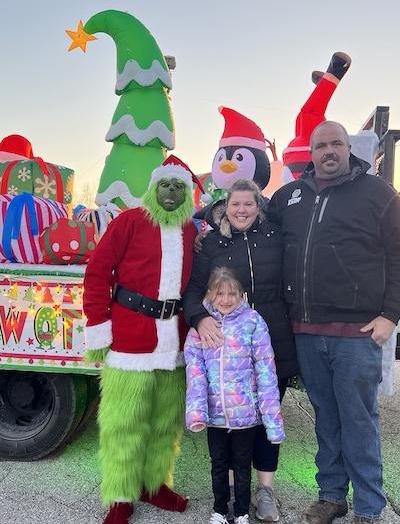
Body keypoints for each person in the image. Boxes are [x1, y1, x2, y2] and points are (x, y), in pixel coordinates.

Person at [267, 121, 400, 524]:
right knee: (326, 418)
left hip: (357, 334)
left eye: (336, 143)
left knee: (358, 419)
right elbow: (252, 223)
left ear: (349, 148)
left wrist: (390, 316)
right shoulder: (290, 196)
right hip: (306, 331)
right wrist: (206, 229)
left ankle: (369, 508)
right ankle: (331, 496)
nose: (328, 151)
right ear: (311, 152)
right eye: (321, 145)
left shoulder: (377, 195)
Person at [82, 155, 198, 524]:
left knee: (166, 423)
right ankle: (120, 494)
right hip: (130, 340)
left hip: (173, 345)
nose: (170, 192)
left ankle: (154, 484)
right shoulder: (129, 222)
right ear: (152, 188)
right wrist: (99, 327)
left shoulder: (192, 231)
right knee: (124, 422)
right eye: (164, 185)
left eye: (178, 187)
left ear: (188, 194)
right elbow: (98, 272)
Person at [184, 178, 298, 522]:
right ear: (225, 207)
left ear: (258, 207)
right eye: (236, 204)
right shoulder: (213, 244)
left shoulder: (275, 237)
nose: (242, 210)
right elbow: (193, 290)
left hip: (270, 339)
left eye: (249, 204)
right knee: (229, 424)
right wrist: (200, 318)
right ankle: (234, 495)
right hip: (227, 348)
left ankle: (265, 491)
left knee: (265, 418)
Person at [185, 267, 285, 524]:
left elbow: (266, 371)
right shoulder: (201, 326)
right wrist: (197, 413)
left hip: (246, 417)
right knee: (219, 464)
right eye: (220, 293)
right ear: (210, 294)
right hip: (216, 417)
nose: (226, 299)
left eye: (233, 293)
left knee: (242, 466)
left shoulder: (253, 322)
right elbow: (195, 374)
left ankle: (241, 512)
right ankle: (219, 510)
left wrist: (272, 420)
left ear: (242, 294)